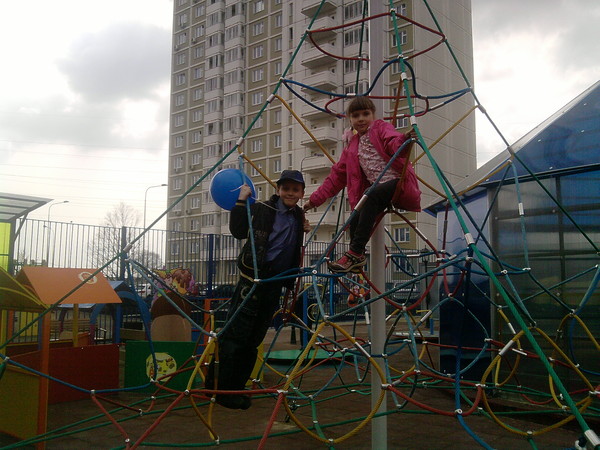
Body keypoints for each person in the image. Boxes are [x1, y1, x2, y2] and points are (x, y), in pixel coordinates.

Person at [206, 169, 309, 409]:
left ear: (302, 193)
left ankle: (236, 387)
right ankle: (219, 388)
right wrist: (241, 201)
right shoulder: (263, 209)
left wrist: (303, 227)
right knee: (236, 335)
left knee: (254, 339)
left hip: (275, 283)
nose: (290, 193)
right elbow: (238, 231)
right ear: (278, 190)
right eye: (286, 188)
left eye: (295, 190)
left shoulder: (298, 215)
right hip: (253, 279)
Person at [303, 96, 421, 273]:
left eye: (366, 114)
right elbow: (336, 177)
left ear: (373, 115)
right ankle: (356, 258)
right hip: (377, 190)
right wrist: (314, 200)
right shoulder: (352, 147)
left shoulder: (380, 128)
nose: (361, 119)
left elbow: (392, 142)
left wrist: (404, 139)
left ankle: (355, 253)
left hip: (399, 183)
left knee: (370, 194)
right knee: (356, 213)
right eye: (356, 115)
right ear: (349, 119)